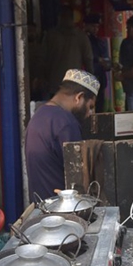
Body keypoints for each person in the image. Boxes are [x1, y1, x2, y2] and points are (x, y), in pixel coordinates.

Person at [25, 69, 99, 200]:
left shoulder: (39, 115)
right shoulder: (66, 123)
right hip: (62, 210)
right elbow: (78, 180)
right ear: (79, 97)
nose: (90, 114)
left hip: (41, 206)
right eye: (90, 106)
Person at [41, 7, 94, 96]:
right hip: (73, 84)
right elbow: (88, 60)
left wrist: (42, 78)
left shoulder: (51, 36)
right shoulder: (81, 36)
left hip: (55, 83)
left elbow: (42, 58)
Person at [83, 14, 110, 112]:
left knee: (99, 108)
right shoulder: (83, 40)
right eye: (93, 26)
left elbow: (106, 59)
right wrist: (98, 60)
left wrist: (106, 63)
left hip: (99, 79)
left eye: (97, 26)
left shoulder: (99, 41)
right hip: (86, 79)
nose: (95, 29)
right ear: (86, 26)